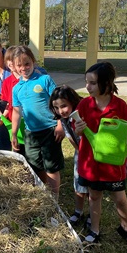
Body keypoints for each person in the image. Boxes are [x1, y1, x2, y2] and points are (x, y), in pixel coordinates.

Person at [74, 62, 127, 247]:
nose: (87, 87)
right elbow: (76, 131)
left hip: (113, 164)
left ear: (106, 83)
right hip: (91, 162)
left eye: (93, 83)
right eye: (86, 82)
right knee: (94, 196)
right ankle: (94, 230)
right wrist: (78, 130)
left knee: (120, 198)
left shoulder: (119, 106)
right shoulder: (84, 104)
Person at [11, 45, 64, 199]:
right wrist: (14, 134)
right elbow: (16, 111)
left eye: (27, 63)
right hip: (31, 133)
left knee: (51, 166)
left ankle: (55, 199)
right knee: (35, 164)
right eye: (19, 65)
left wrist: (60, 124)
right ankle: (44, 191)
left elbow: (58, 102)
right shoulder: (16, 89)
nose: (23, 68)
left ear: (33, 62)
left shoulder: (44, 79)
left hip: (50, 129)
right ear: (14, 66)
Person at [49, 85, 90, 228]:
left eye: (64, 106)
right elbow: (70, 137)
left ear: (73, 101)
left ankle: (92, 213)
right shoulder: (64, 118)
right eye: (56, 107)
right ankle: (78, 211)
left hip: (93, 154)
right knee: (78, 184)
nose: (61, 111)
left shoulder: (83, 114)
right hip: (80, 153)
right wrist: (79, 152)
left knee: (92, 188)